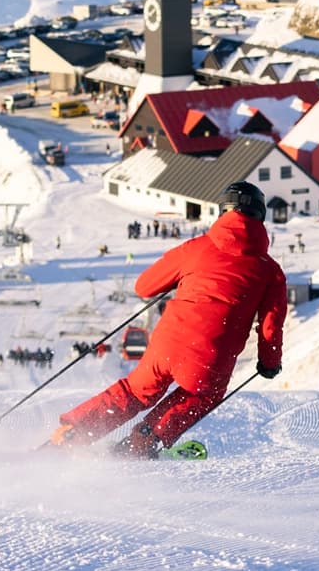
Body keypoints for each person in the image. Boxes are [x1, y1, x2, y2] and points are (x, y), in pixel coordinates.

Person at [48, 181, 287, 459]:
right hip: (211, 356)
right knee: (201, 395)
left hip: (167, 344)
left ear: (223, 212)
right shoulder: (270, 271)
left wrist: (180, 280)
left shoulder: (196, 248)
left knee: (136, 392)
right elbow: (271, 325)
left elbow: (143, 287)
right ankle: (141, 443)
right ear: (260, 216)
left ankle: (72, 434)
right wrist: (269, 363)